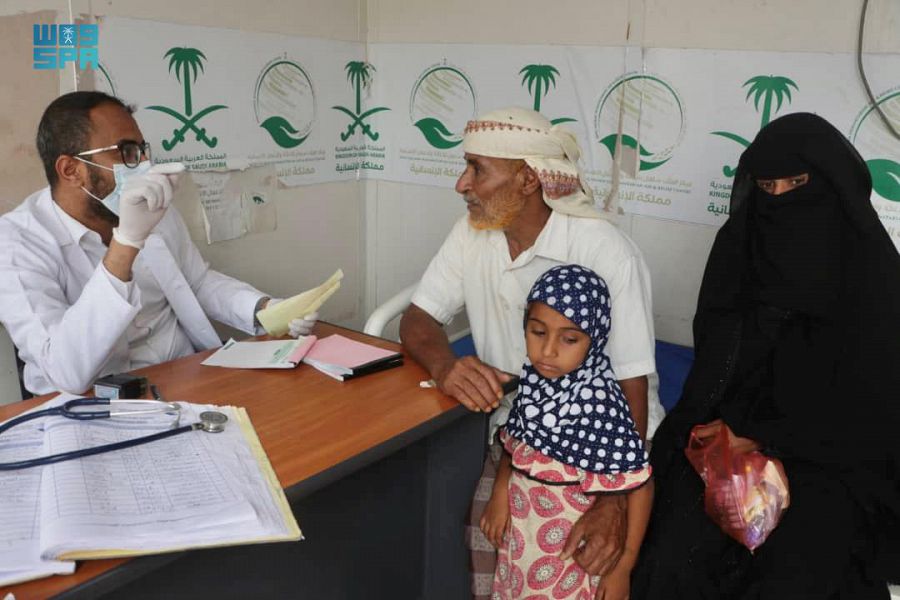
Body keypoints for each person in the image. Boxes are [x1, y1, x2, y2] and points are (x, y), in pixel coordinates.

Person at [631, 112, 900, 599]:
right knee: (670, 556)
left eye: (796, 183)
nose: (777, 201)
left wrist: (761, 435)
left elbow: (874, 411)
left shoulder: (873, 276)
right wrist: (718, 427)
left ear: (834, 185)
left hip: (833, 460)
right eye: (766, 186)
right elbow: (718, 364)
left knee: (797, 573)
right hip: (729, 442)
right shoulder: (739, 248)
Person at [398, 106, 662, 598]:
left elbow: (631, 382)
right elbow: (416, 320)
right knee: (480, 547)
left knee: (580, 572)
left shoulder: (604, 250)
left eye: (478, 168)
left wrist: (613, 503)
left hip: (605, 452)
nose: (462, 184)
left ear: (526, 180)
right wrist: (446, 366)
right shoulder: (471, 233)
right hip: (516, 437)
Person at [0, 91, 317, 396]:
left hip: (185, 376)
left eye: (141, 149)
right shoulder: (17, 242)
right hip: (92, 403)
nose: (143, 164)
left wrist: (263, 309)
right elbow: (66, 371)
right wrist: (126, 243)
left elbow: (197, 281)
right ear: (71, 170)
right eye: (125, 151)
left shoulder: (149, 206)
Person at [480, 264, 654, 599]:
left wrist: (622, 569)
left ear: (595, 338)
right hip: (523, 549)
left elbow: (640, 488)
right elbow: (515, 442)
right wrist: (501, 490)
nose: (548, 351)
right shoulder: (535, 381)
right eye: (537, 332)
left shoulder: (599, 405)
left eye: (569, 339)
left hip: (569, 564)